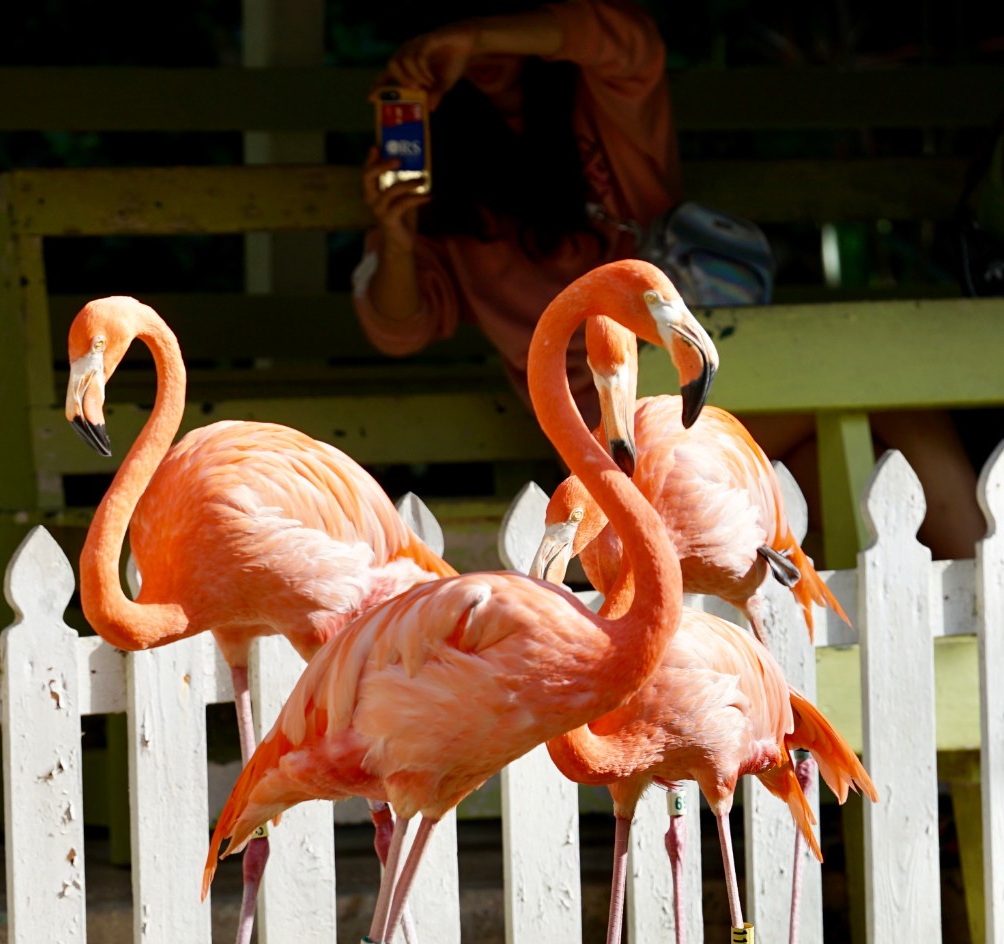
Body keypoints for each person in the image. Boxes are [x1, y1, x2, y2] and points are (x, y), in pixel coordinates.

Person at [355, 0, 981, 559]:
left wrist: (480, 36)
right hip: (609, 434)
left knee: (821, 475)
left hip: (699, 385)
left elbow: (627, 41)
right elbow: (400, 330)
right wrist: (399, 236)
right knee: (902, 405)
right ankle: (991, 591)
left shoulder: (601, 109)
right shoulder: (438, 175)